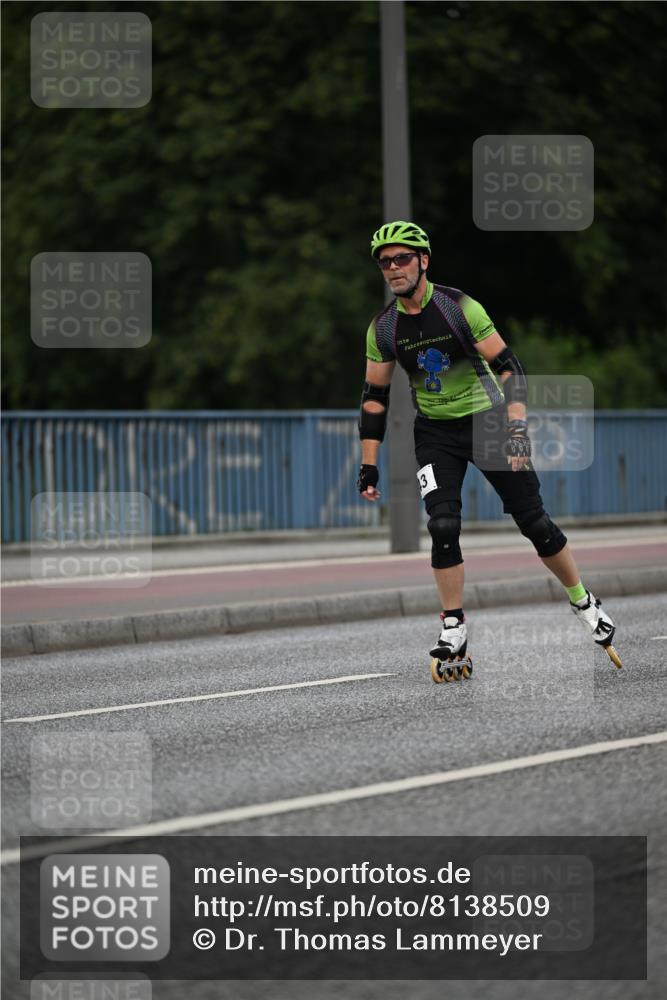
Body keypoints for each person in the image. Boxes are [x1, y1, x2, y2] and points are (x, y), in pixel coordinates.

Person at [357, 220, 621, 680]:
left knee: (533, 522)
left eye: (402, 258)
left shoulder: (458, 307)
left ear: (423, 261)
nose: (393, 268)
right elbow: (374, 398)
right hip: (435, 431)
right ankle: (453, 626)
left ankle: (583, 599)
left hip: (489, 421)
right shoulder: (383, 329)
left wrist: (517, 430)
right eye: (385, 262)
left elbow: (509, 367)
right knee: (442, 523)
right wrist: (369, 464)